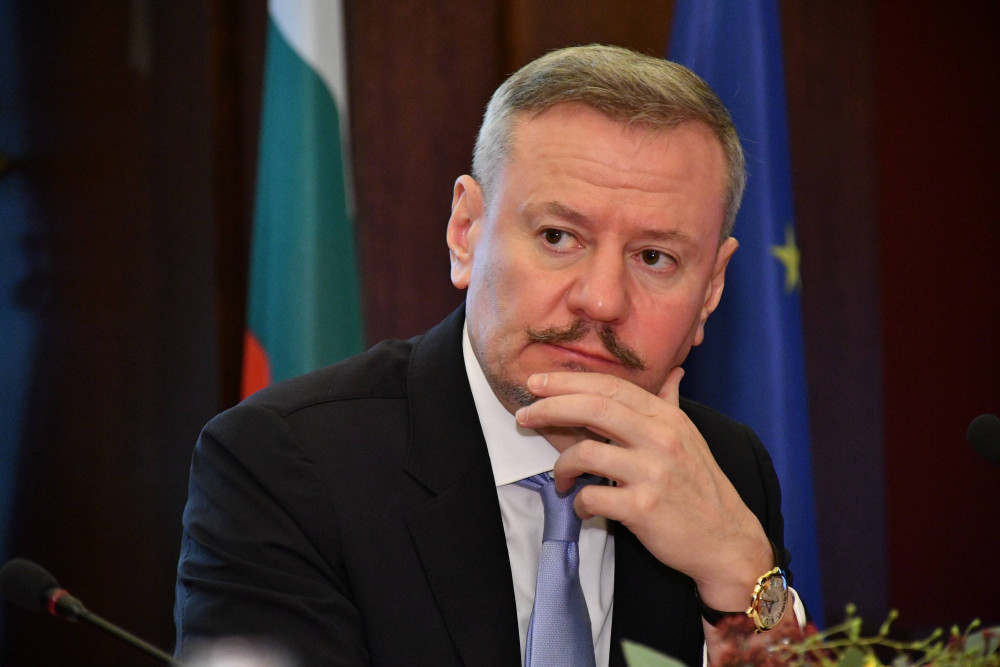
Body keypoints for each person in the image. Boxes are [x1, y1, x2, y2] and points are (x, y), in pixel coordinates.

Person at [174, 45, 802, 667]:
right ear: (465, 232)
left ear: (711, 289)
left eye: (654, 257)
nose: (602, 300)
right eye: (558, 237)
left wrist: (741, 571)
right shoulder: (288, 465)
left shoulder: (726, 470)